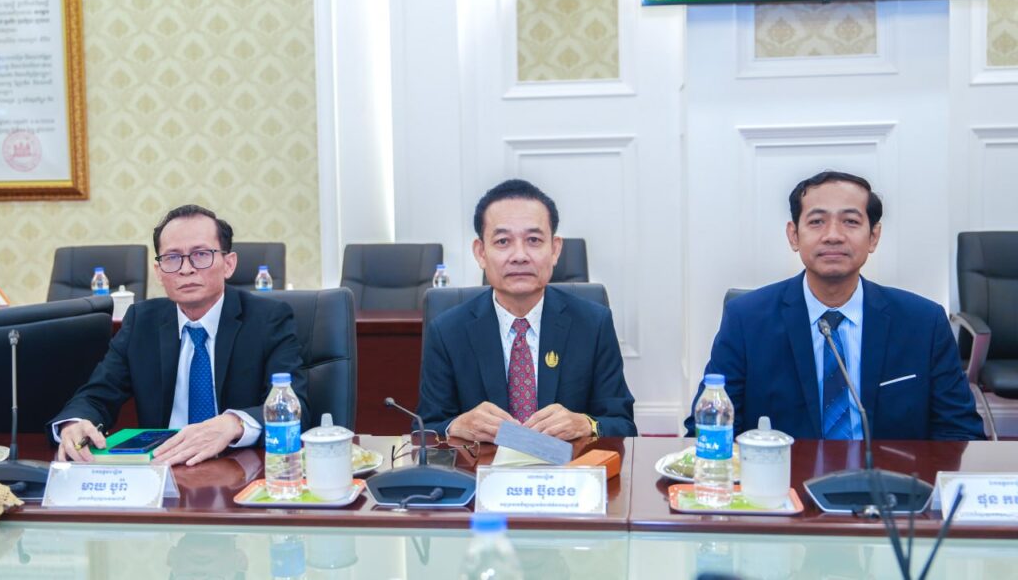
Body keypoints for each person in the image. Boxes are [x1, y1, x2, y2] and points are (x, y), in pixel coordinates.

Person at [684, 171, 984, 441]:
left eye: (851, 221)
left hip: (888, 481)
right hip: (783, 479)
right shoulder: (746, 320)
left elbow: (959, 431)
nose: (833, 236)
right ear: (794, 235)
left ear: (873, 237)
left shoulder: (923, 323)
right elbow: (708, 427)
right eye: (816, 222)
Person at [48, 204, 310, 465]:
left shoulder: (268, 319)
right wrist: (75, 423)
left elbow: (295, 407)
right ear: (159, 271)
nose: (186, 269)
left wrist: (235, 423)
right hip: (162, 468)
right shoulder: (142, 322)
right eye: (172, 258)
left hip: (240, 465)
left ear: (228, 264)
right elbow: (97, 394)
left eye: (201, 255)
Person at [416, 179, 636, 442]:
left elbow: (623, 425)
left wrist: (585, 424)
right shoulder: (447, 331)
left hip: (568, 466)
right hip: (482, 467)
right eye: (503, 241)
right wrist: (455, 426)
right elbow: (424, 429)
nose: (519, 255)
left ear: (555, 250)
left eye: (533, 240)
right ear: (481, 253)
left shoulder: (593, 324)